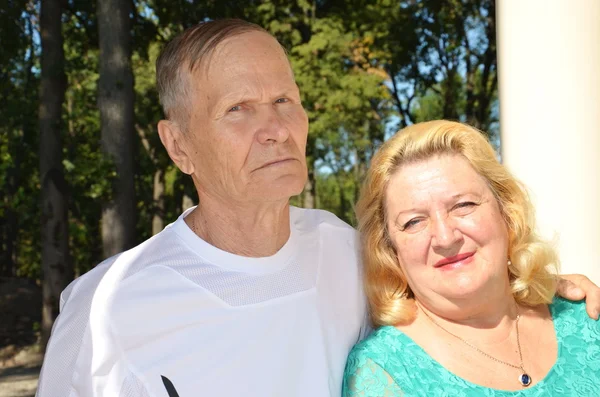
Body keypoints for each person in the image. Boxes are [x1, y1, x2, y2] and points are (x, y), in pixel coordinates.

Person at [36, 20, 599, 397]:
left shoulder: (344, 249)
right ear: (178, 145)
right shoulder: (105, 306)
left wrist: (551, 293)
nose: (276, 129)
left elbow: (457, 296)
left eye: (285, 101)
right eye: (239, 109)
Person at [343, 120, 600, 396]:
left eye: (463, 205)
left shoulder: (586, 319)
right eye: (414, 222)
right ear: (389, 249)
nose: (445, 237)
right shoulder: (382, 372)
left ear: (507, 212)